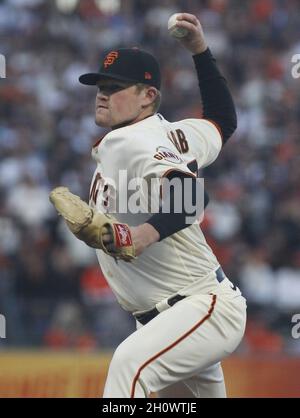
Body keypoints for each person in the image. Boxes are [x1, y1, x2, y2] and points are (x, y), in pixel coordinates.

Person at [52, 13, 247, 398]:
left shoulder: (133, 140)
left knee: (129, 369)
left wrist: (142, 234)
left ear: (148, 96)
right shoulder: (173, 133)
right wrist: (200, 52)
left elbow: (192, 197)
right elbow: (223, 120)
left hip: (199, 307)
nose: (102, 93)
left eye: (116, 86)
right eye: (99, 85)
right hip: (176, 317)